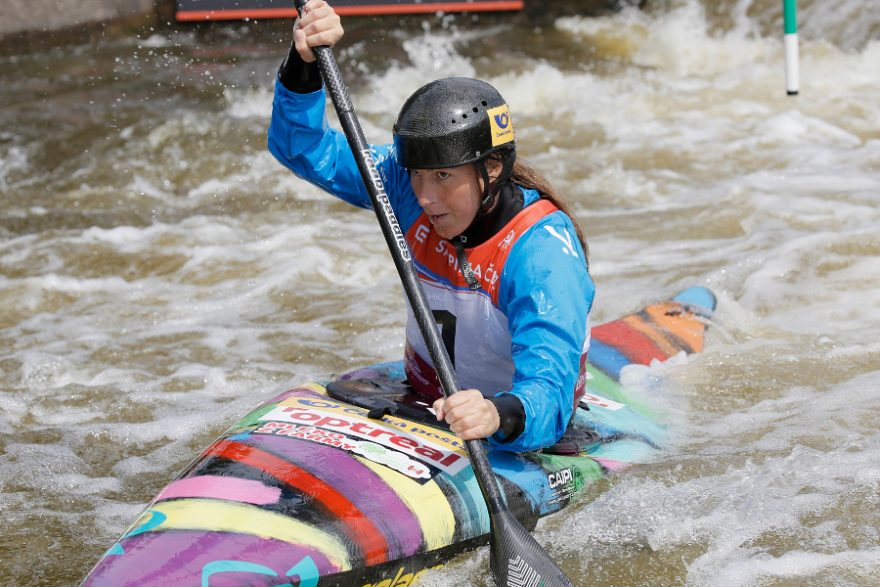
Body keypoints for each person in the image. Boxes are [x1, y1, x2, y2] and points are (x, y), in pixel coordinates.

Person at [268, 0, 594, 453]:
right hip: (418, 400)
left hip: (510, 426)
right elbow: (302, 149)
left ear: (492, 168)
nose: (424, 197)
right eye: (418, 174)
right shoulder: (402, 186)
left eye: (443, 177)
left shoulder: (540, 255)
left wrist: (496, 414)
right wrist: (303, 64)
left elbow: (549, 391)